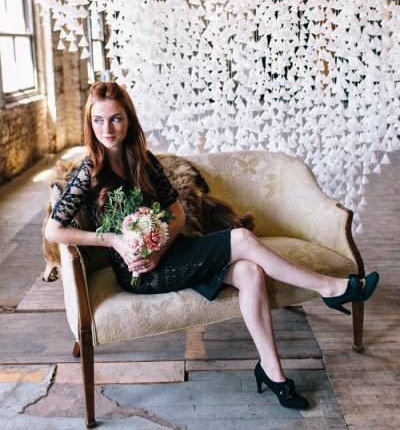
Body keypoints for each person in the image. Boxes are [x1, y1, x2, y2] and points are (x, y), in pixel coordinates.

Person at [46, 81, 379, 410]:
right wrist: (114, 240)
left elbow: (176, 213)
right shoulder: (89, 171)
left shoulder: (143, 161)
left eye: (115, 118)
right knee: (242, 238)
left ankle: (272, 372)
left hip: (168, 253)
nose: (107, 129)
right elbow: (54, 230)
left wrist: (160, 247)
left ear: (129, 120)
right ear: (90, 124)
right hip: (139, 272)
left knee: (250, 272)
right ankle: (331, 288)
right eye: (98, 120)